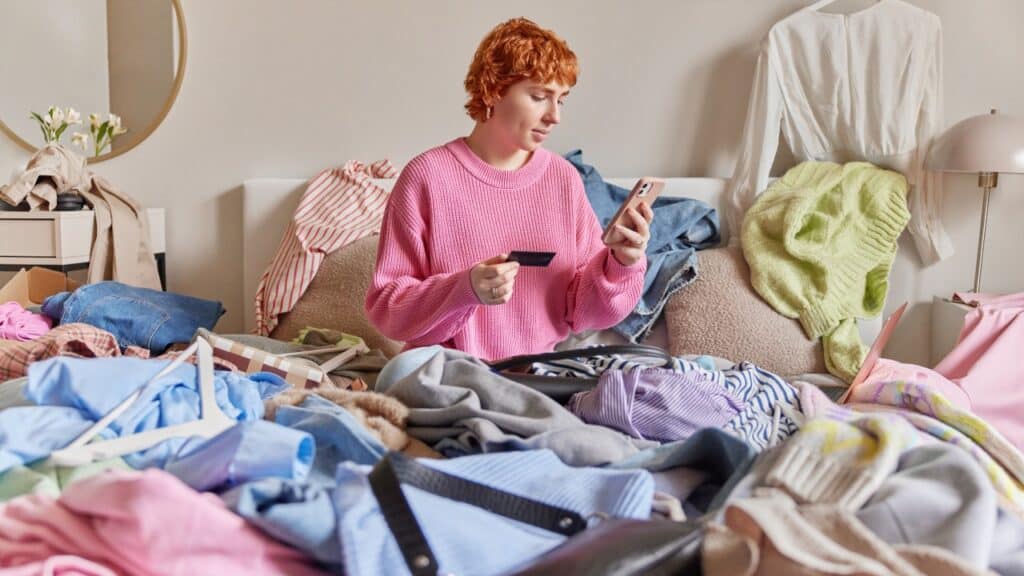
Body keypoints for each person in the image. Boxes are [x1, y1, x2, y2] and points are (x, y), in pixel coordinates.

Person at [365, 17, 652, 388]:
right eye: (539, 96)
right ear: (493, 90)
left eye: (561, 99)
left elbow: (585, 314)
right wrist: (464, 288)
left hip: (537, 380)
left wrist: (621, 264)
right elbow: (387, 310)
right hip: (444, 376)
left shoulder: (563, 179)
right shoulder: (427, 177)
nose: (554, 116)